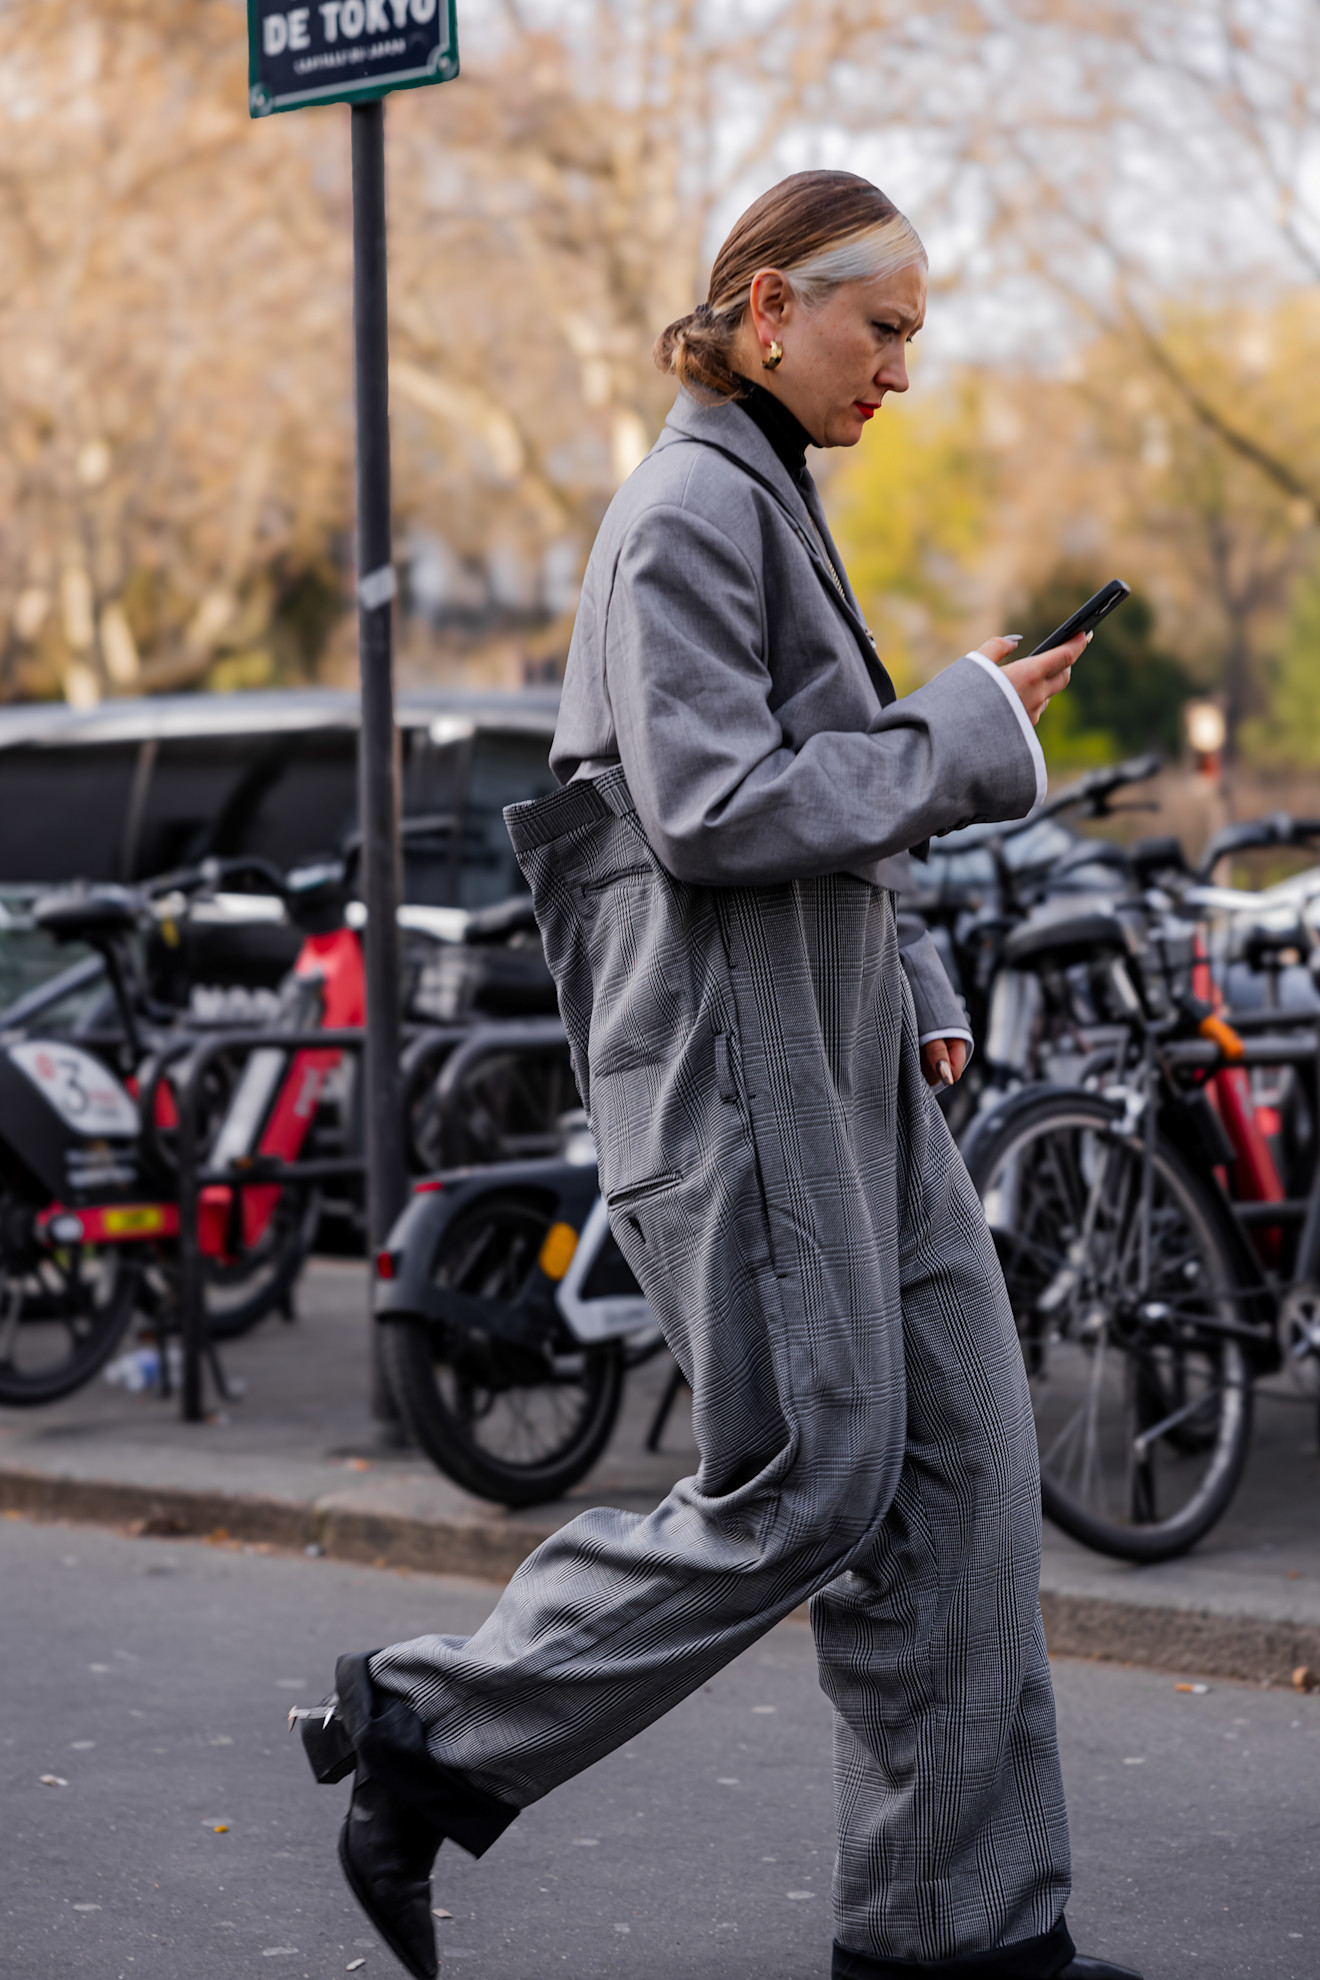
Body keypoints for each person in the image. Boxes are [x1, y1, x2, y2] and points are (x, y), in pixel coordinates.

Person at [294, 170, 1139, 1980]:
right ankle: (429, 1732)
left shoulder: (765, 500)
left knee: (974, 1465)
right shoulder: (688, 506)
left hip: (841, 1056)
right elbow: (711, 810)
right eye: (880, 327)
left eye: (913, 334)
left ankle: (964, 1940)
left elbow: (808, 794)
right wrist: (971, 732)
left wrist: (900, 974)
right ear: (767, 310)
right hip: (745, 1073)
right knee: (820, 1476)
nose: (899, 370)